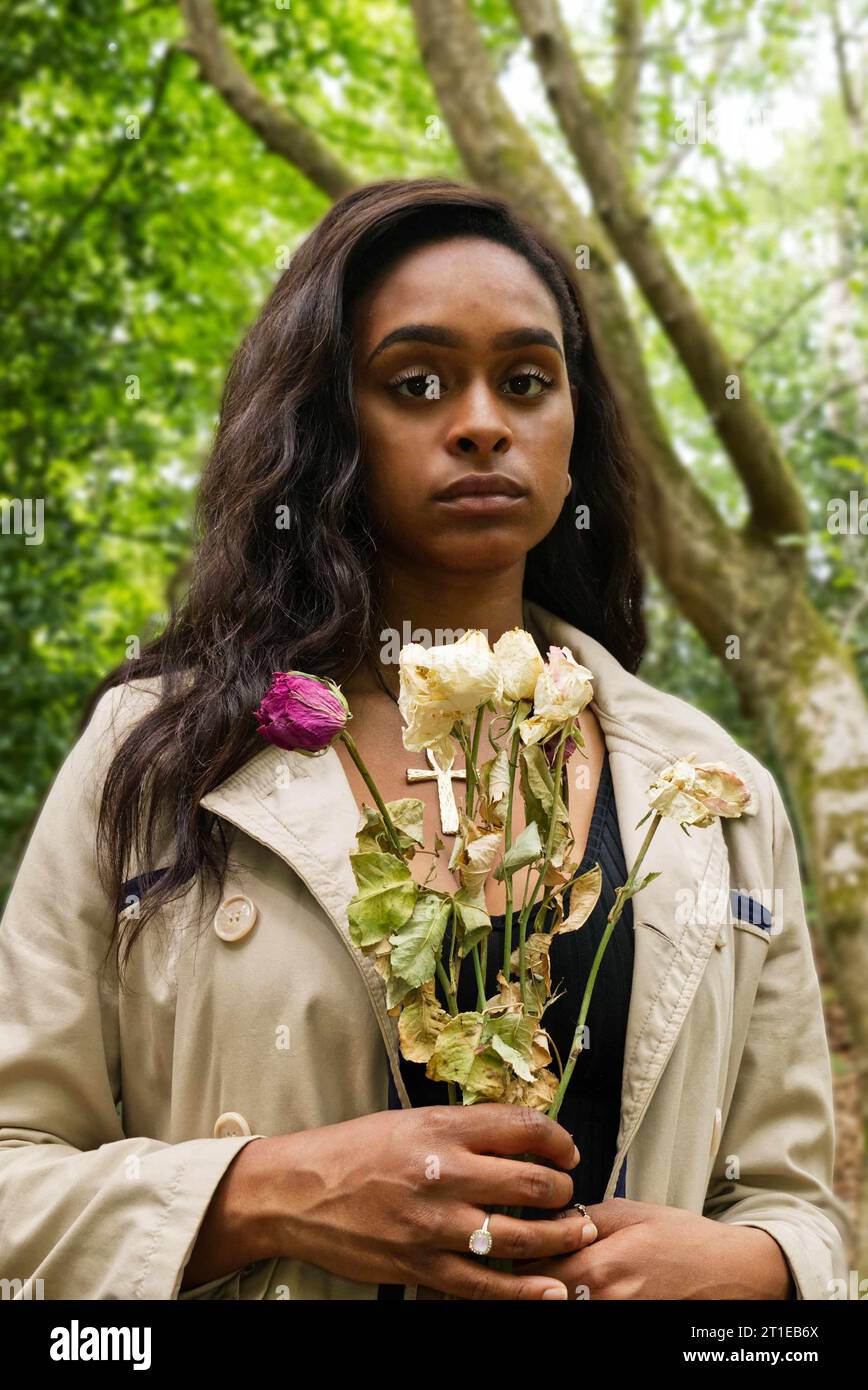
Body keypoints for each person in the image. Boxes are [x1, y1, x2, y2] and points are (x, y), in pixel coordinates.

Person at [0, 179, 851, 1301]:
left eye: (528, 381)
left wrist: (756, 1271)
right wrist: (266, 1191)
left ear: (571, 427)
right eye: (416, 382)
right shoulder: (158, 754)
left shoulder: (712, 787)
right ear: (327, 419)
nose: (484, 421)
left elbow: (797, 1204)